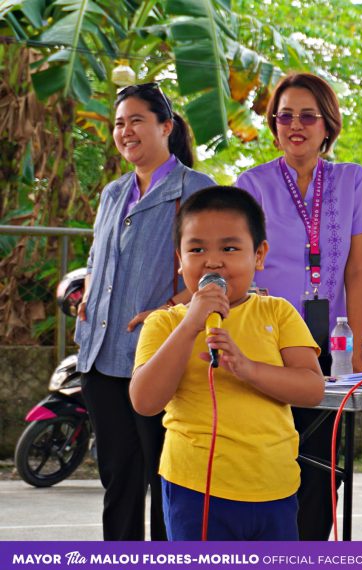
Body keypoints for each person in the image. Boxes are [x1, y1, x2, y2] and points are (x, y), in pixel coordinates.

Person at [129, 186, 325, 540]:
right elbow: (145, 401)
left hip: (274, 487)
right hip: (195, 488)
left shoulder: (278, 312)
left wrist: (248, 369)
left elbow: (312, 389)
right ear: (180, 258)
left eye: (230, 248)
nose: (213, 261)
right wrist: (191, 324)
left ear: (259, 255)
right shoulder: (165, 323)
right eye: (197, 249)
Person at [234, 72, 362, 540]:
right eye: (285, 116)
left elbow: (358, 272)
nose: (295, 125)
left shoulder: (352, 180)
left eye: (308, 115)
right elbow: (240, 267)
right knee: (267, 464)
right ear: (274, 125)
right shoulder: (250, 184)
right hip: (264, 344)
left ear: (327, 124)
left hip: (327, 347)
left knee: (320, 468)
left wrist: (355, 351)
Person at [74, 82, 215, 540]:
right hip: (99, 353)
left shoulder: (196, 188)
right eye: (119, 123)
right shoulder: (113, 193)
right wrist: (88, 293)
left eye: (136, 120)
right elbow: (97, 258)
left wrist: (167, 309)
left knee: (165, 475)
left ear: (166, 127)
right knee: (118, 476)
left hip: (157, 355)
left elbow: (214, 269)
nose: (125, 131)